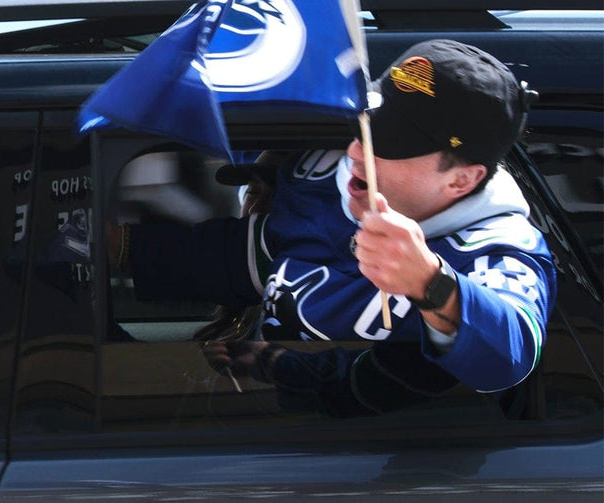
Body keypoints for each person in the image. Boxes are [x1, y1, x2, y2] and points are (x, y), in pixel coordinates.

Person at [121, 40, 555, 416]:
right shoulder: (322, 178)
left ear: (462, 179)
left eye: (389, 143)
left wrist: (430, 284)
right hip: (242, 430)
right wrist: (114, 249)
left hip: (369, 473)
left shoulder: (497, 251)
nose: (354, 150)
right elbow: (245, 254)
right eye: (364, 126)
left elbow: (508, 356)